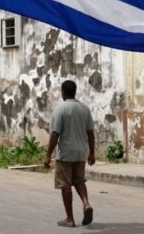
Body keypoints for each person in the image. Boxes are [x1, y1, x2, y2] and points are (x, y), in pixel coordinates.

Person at [44, 80, 95, 228]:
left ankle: (70, 219)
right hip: (80, 153)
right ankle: (86, 203)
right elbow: (90, 133)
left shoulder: (60, 109)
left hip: (65, 154)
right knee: (79, 180)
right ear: (75, 91)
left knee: (65, 185)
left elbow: (55, 134)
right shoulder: (85, 109)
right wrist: (91, 153)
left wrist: (48, 155)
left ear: (63, 92)